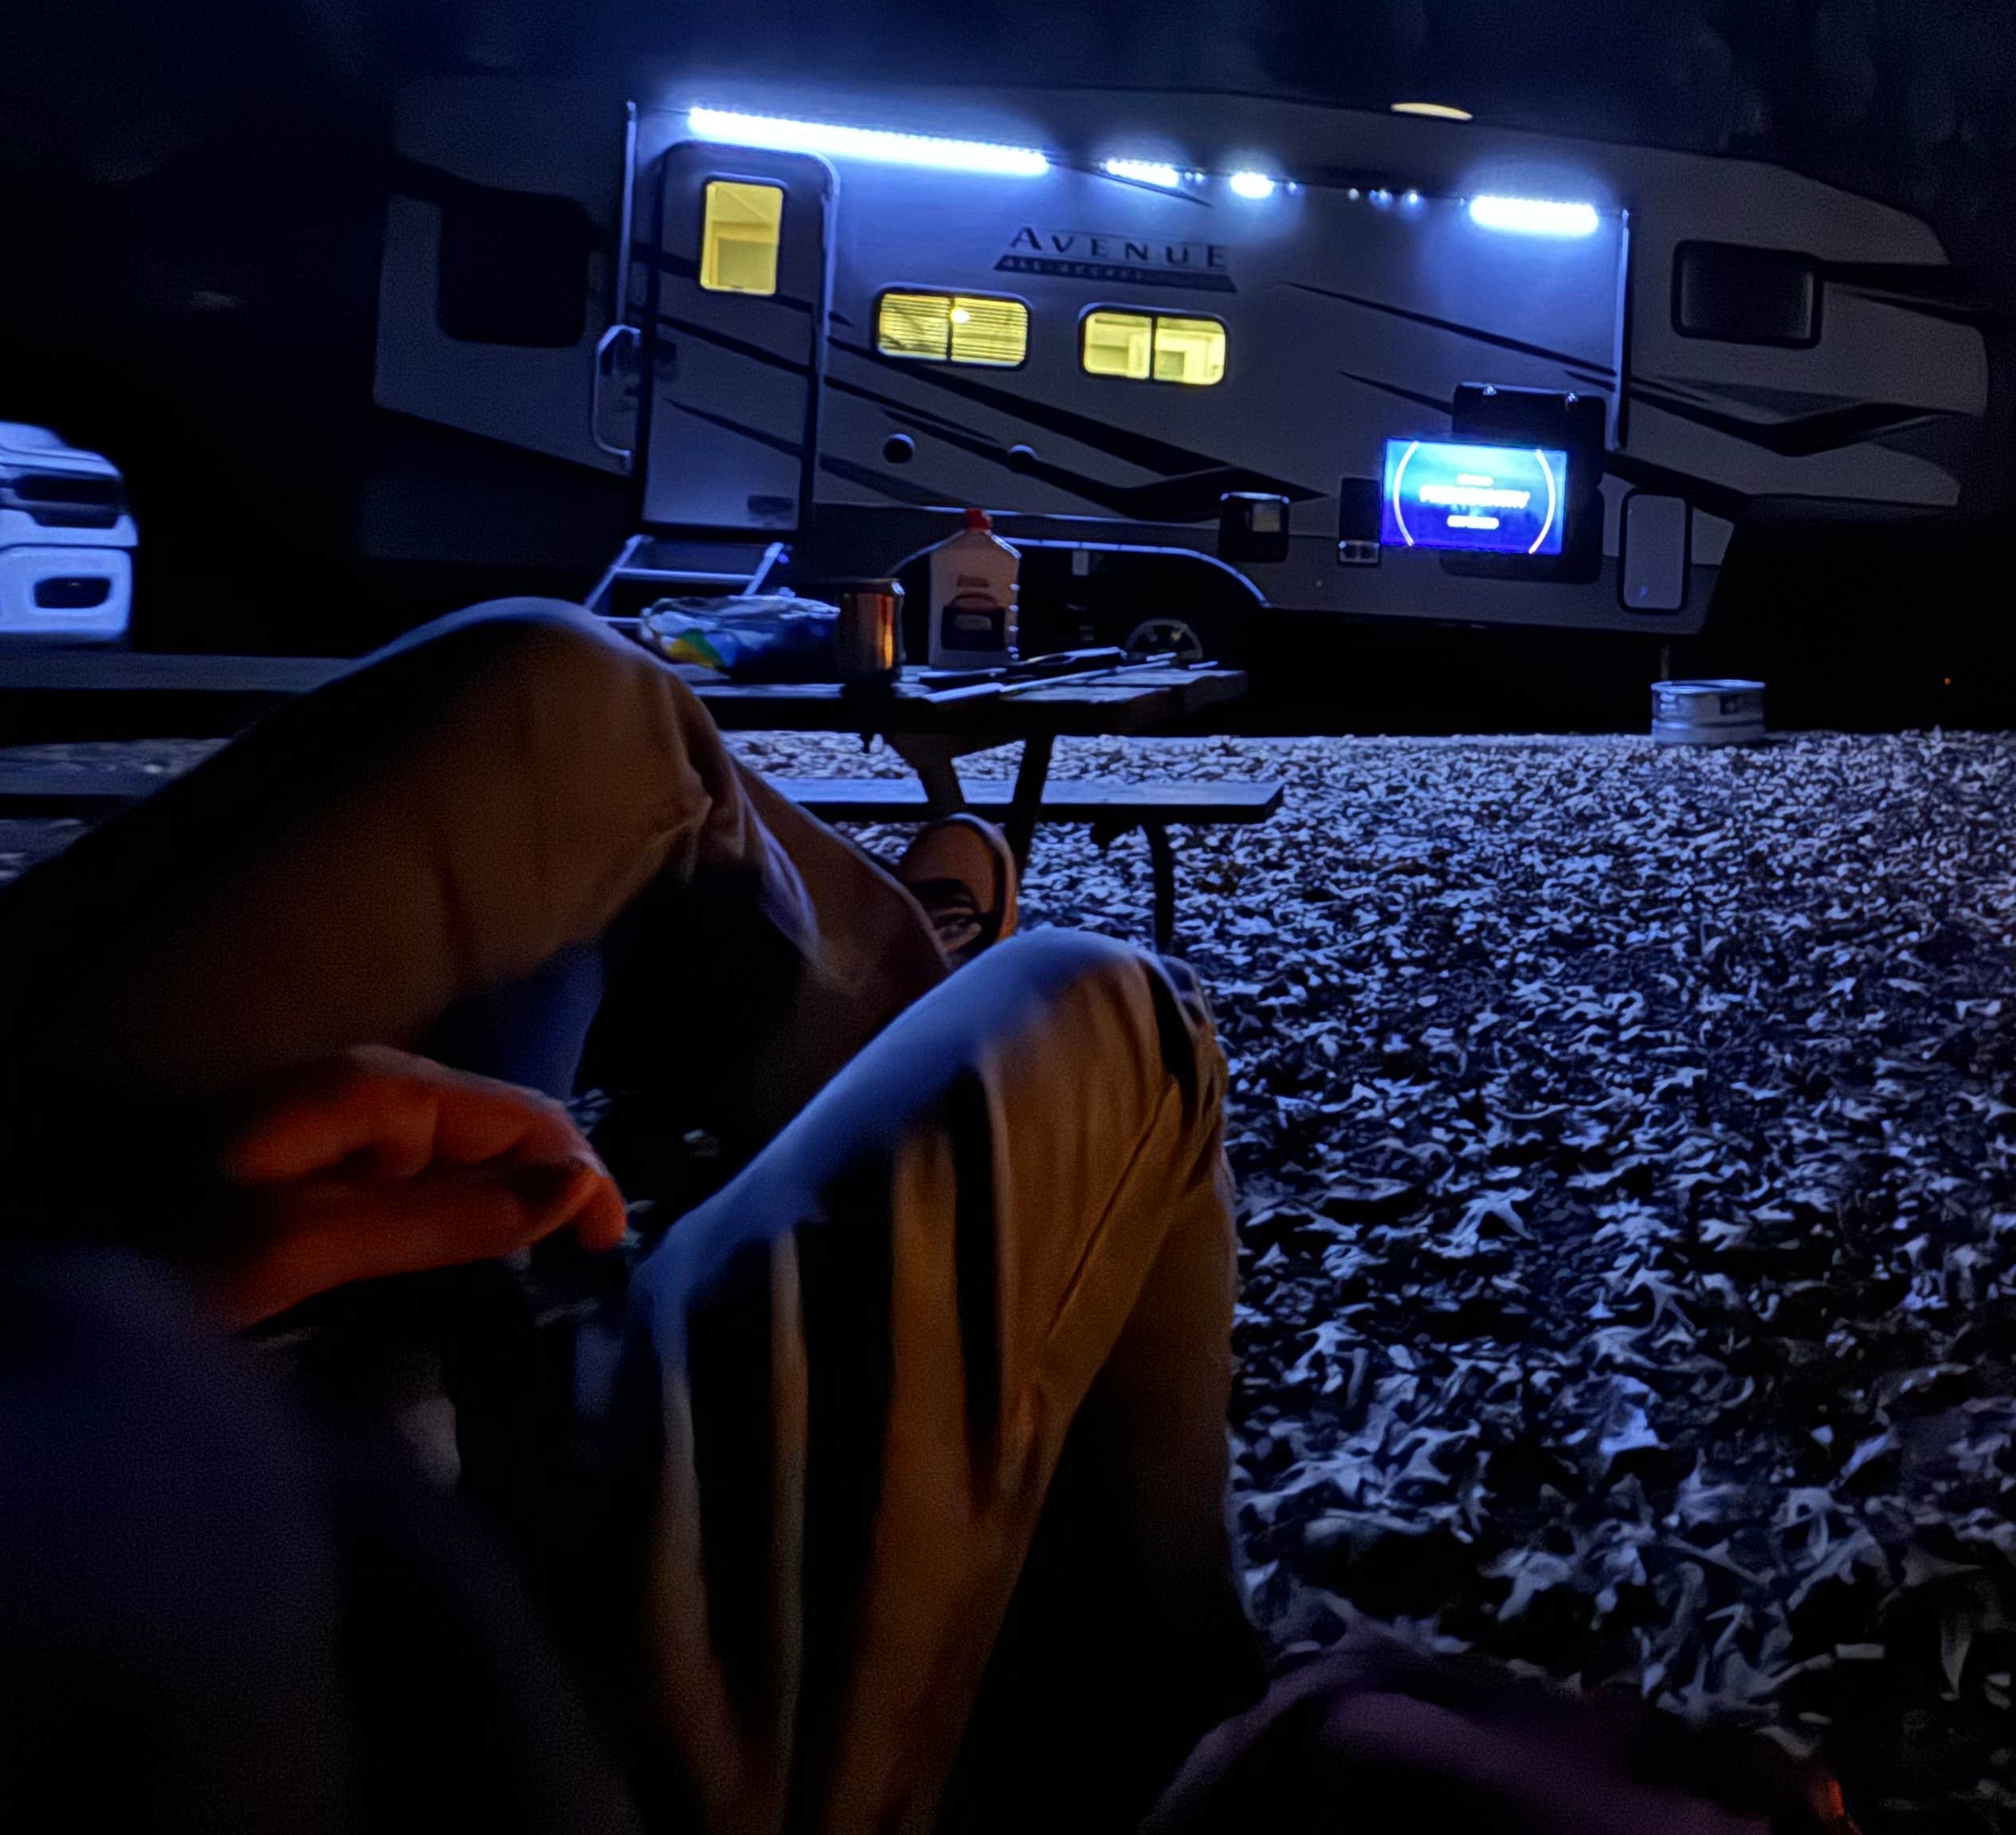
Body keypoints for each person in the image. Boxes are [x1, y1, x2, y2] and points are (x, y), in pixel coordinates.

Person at [0, 600, 1261, 1834]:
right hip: (380, 1675)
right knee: (1111, 1013)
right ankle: (1187, 1739)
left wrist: (116, 1274)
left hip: (65, 1357)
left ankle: (899, 1013)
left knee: (569, 700)